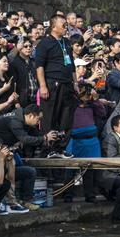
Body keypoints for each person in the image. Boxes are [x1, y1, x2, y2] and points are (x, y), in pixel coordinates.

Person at [34, 14, 77, 155]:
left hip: (67, 84)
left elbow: (72, 65)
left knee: (66, 117)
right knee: (50, 117)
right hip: (52, 84)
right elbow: (39, 66)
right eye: (63, 24)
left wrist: (75, 82)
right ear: (53, 27)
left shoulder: (67, 42)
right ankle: (48, 149)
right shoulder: (45, 43)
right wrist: (43, 86)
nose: (66, 27)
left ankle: (60, 148)